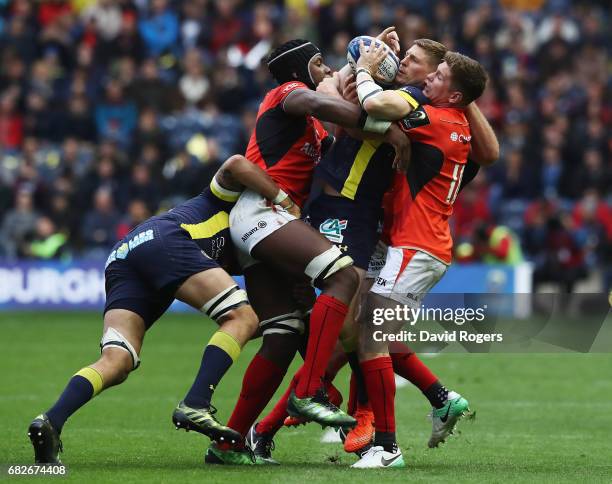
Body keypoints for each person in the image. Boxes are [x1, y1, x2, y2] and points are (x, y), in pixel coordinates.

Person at [248, 32, 499, 462]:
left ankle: (375, 434)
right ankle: (423, 401)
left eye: (421, 64)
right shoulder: (433, 113)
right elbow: (357, 108)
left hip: (375, 225)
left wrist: (364, 70)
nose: (402, 62)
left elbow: (352, 108)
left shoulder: (423, 108)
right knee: (357, 333)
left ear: (439, 83)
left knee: (358, 335)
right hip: (392, 235)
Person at [206, 38, 411, 465]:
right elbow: (333, 106)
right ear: (298, 71)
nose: (325, 68)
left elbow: (344, 125)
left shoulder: (312, 128)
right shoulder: (288, 95)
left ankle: (230, 442)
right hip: (262, 213)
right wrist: (383, 114)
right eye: (317, 63)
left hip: (277, 226)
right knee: (344, 277)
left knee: (284, 334)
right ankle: (309, 390)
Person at [27, 154, 298, 464]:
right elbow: (237, 163)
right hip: (165, 240)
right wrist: (283, 200)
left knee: (118, 359)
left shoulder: (250, 243)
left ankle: (50, 421)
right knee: (241, 316)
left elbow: (248, 327)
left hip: (125, 253)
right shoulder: (238, 204)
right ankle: (196, 402)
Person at [351, 51, 489, 468]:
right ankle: (442, 401)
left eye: (440, 76)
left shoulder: (438, 119)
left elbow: (374, 106)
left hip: (416, 248)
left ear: (456, 95)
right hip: (422, 248)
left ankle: (387, 447)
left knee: (370, 340)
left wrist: (361, 70)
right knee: (373, 336)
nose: (430, 79)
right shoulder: (458, 122)